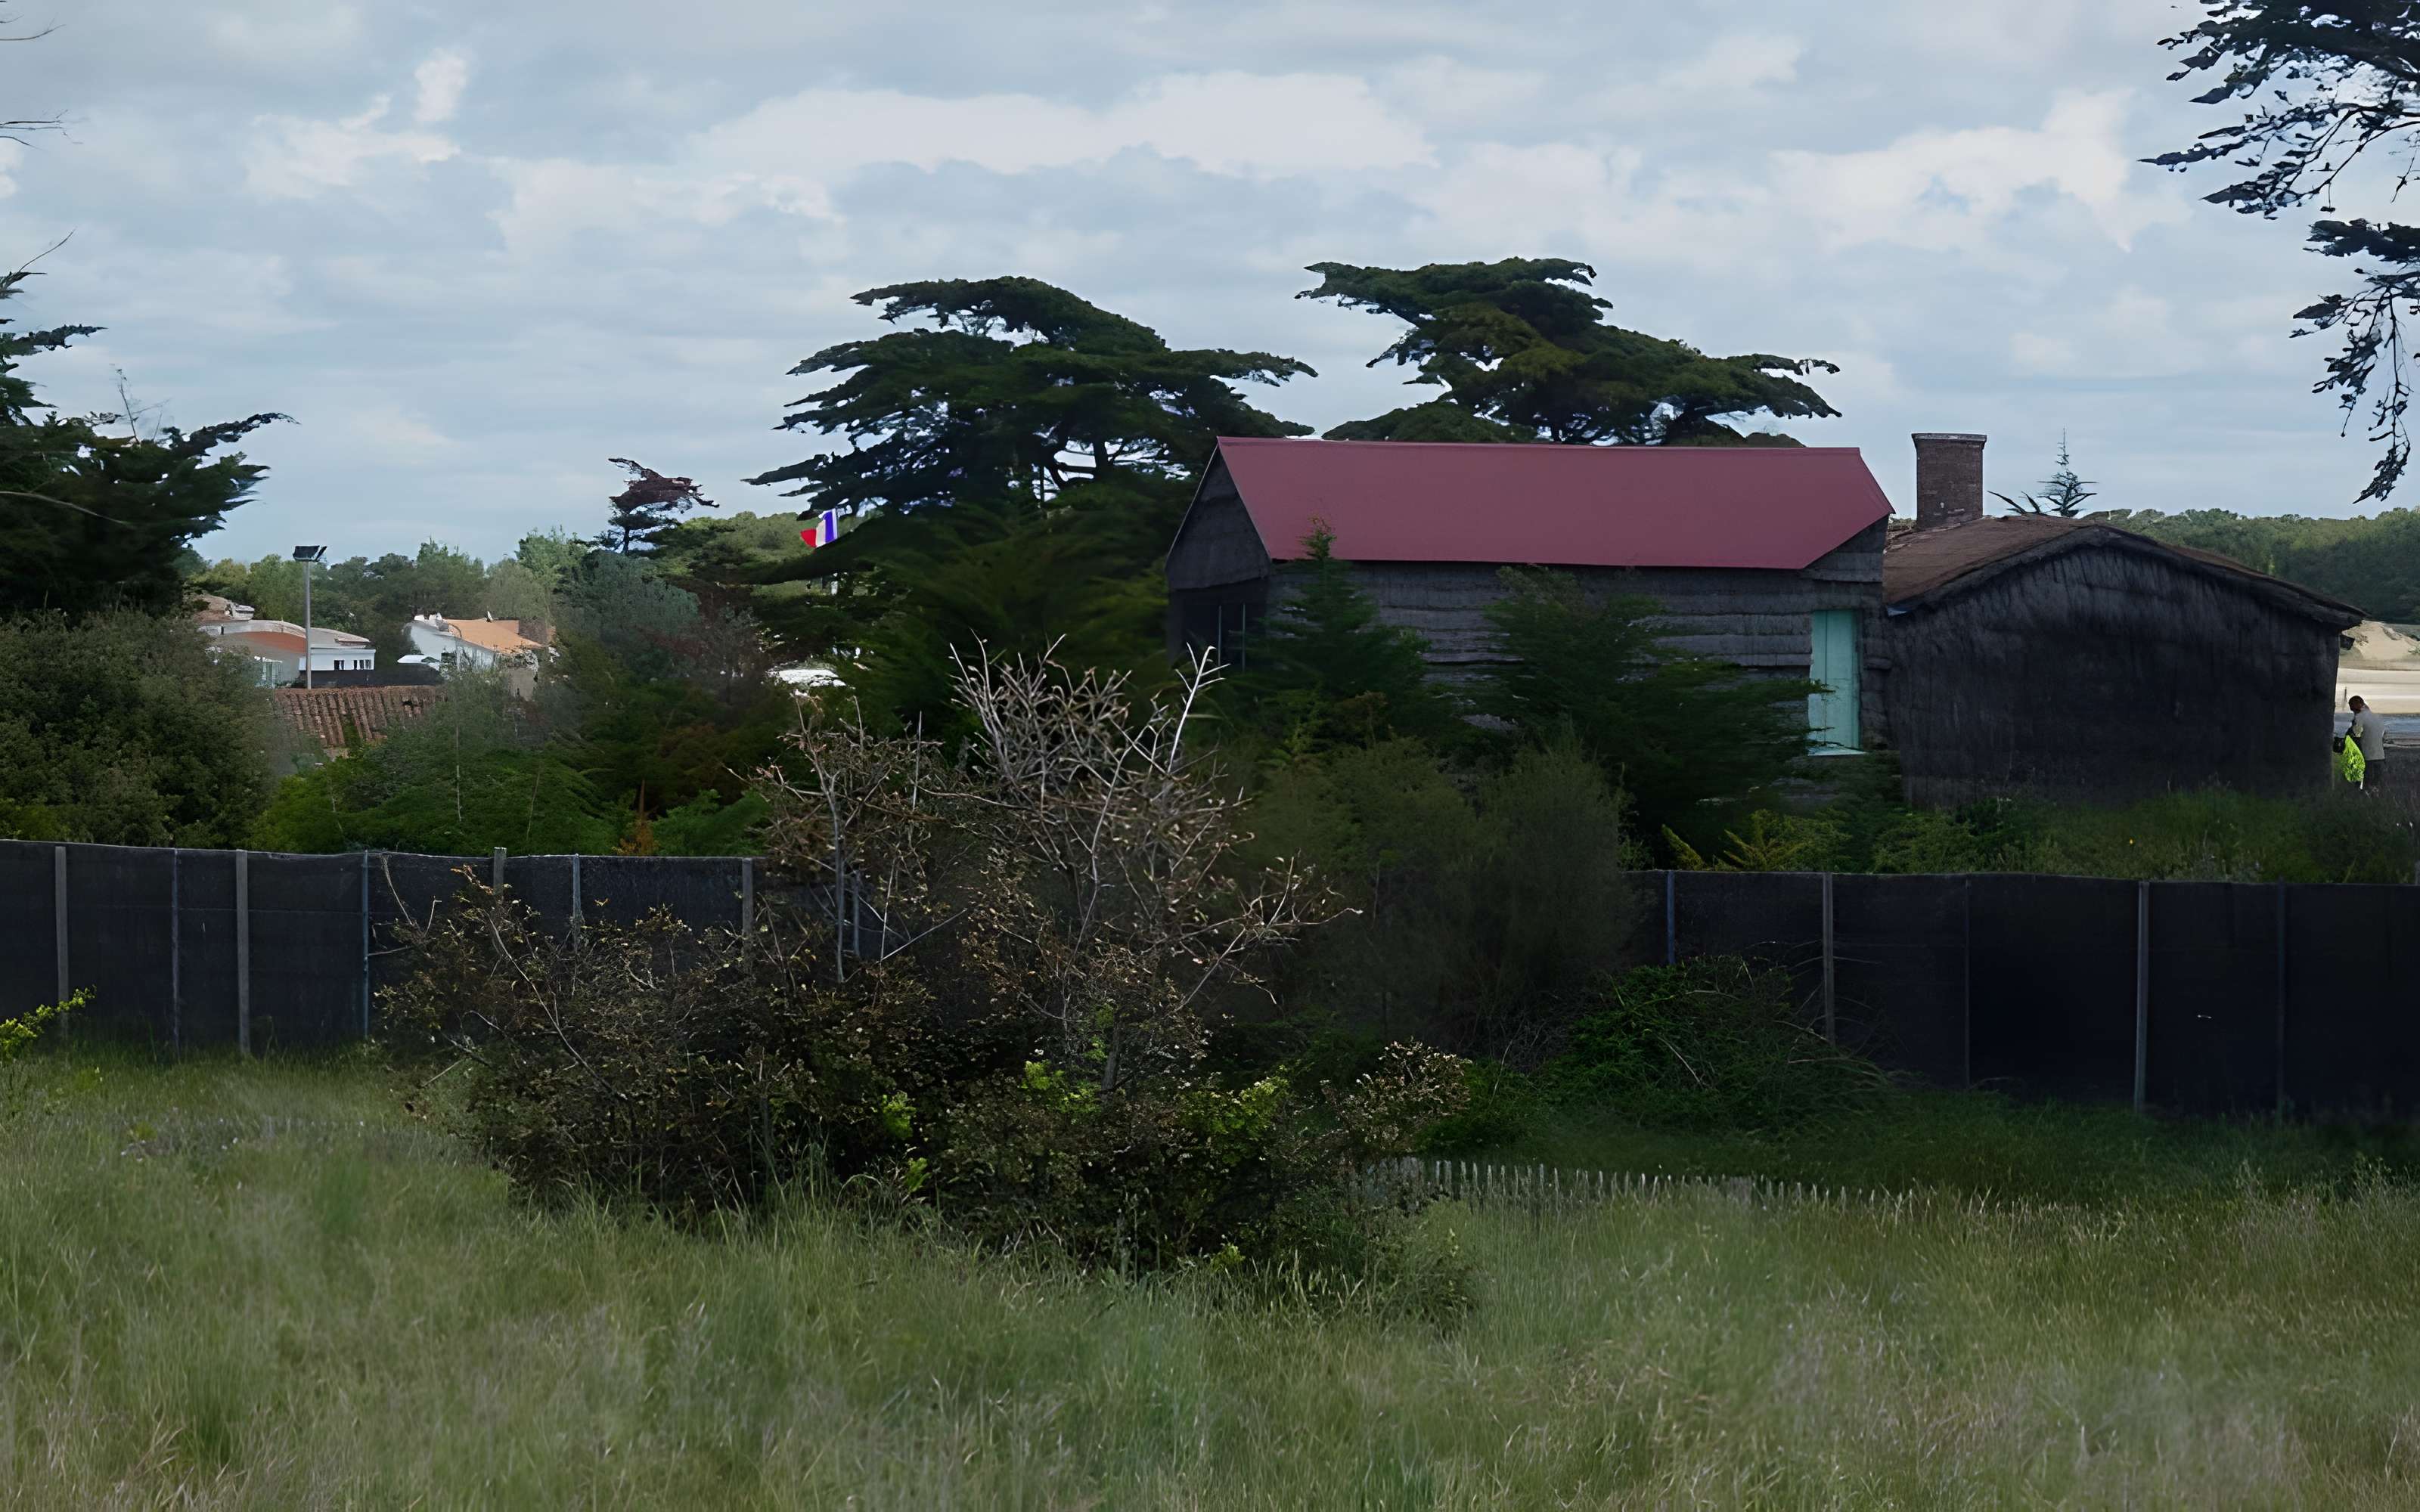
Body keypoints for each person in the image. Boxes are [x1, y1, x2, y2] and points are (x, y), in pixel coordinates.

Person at [2350, 695, 2386, 789]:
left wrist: (2354, 723)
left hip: (2368, 757)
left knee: (2367, 784)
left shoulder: (2360, 717)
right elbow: (2382, 734)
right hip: (2380, 755)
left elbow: (2356, 733)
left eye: (2353, 709)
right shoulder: (2377, 717)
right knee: (2376, 785)